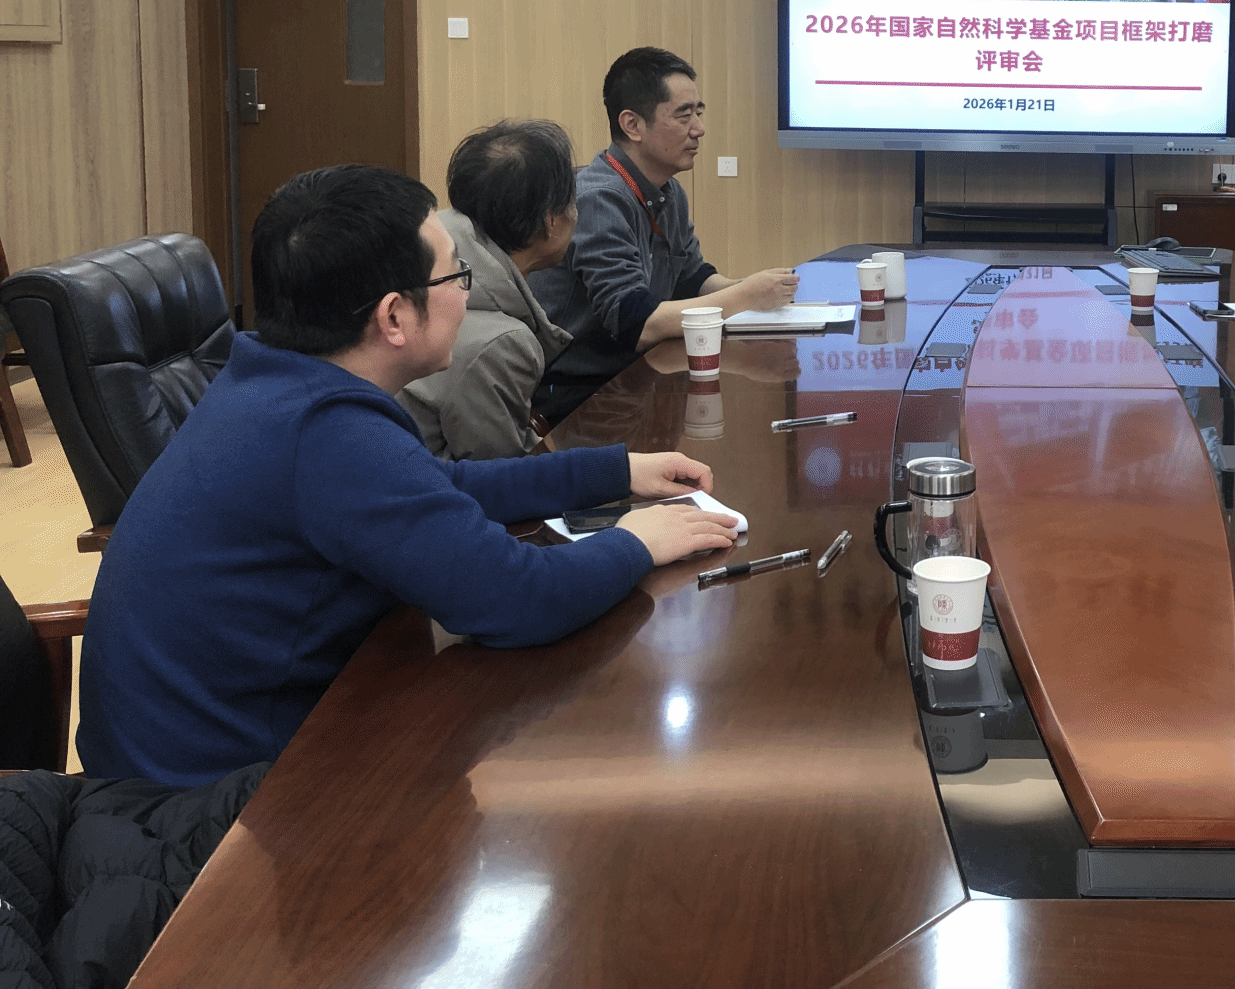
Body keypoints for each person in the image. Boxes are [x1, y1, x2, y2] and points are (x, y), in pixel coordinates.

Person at [77, 165, 740, 786]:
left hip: (202, 756)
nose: (466, 296)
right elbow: (518, 600)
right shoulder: (328, 434)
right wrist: (638, 541)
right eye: (457, 278)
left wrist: (615, 470)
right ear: (394, 316)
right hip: (217, 808)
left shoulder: (273, 381)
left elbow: (439, 487)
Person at [533, 47, 799, 421]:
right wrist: (746, 295)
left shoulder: (667, 191)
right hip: (582, 396)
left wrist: (758, 290)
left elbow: (691, 279)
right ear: (632, 125)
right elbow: (636, 323)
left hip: (636, 381)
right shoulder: (598, 199)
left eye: (699, 113)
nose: (699, 129)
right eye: (683, 115)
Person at [400, 119, 578, 459]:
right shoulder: (501, 344)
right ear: (550, 221)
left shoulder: (423, 253)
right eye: (572, 202)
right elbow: (500, 474)